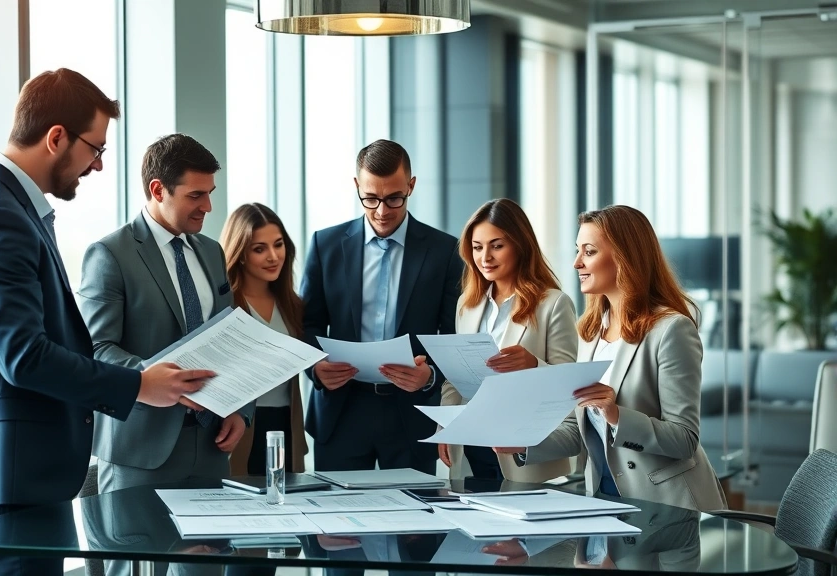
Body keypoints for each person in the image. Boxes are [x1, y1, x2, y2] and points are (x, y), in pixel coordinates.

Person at [0, 69, 213, 575]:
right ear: (56, 138)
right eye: (94, 149)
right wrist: (137, 384)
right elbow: (22, 356)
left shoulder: (6, 209)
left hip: (10, 476)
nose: (96, 166)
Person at [77, 134, 253, 567]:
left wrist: (238, 409)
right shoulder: (110, 254)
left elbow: (230, 340)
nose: (208, 207)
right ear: (158, 190)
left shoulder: (212, 253)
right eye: (196, 195)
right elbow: (95, 350)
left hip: (211, 446)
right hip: (141, 450)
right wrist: (153, 380)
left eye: (210, 194)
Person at [496, 205, 727, 511]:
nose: (577, 262)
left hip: (668, 506)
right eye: (577, 251)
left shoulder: (671, 330)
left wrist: (616, 415)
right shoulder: (588, 333)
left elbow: (684, 440)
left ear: (624, 257)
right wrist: (524, 443)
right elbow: (577, 431)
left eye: (589, 252)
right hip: (606, 499)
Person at [301, 139, 463, 475]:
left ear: (411, 186)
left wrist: (430, 375)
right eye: (370, 198)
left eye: (394, 198)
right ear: (357, 186)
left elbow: (451, 335)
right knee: (336, 523)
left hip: (411, 414)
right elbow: (307, 324)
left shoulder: (445, 251)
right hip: (340, 410)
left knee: (416, 525)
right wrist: (315, 367)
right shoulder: (325, 245)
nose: (381, 211)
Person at [437, 199, 577, 483]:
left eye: (497, 245)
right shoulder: (468, 304)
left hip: (522, 454)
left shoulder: (553, 304)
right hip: (471, 448)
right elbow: (455, 379)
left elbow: (570, 386)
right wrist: (445, 426)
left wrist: (533, 364)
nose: (485, 257)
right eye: (477, 247)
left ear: (520, 246)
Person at [221, 203, 309, 477]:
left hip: (286, 423)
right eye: (259, 249)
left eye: (278, 245)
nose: (273, 256)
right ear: (241, 254)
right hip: (241, 425)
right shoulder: (225, 305)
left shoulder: (293, 305)